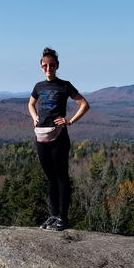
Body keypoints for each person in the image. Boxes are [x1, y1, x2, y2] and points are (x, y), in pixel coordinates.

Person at [28, 47, 89, 231]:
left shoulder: (64, 85)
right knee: (50, 179)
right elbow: (31, 103)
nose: (48, 68)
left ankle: (63, 218)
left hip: (59, 137)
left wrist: (69, 120)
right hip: (41, 136)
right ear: (41, 66)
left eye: (52, 65)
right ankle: (53, 216)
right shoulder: (38, 86)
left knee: (62, 178)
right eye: (45, 65)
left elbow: (84, 104)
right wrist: (34, 116)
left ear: (57, 66)